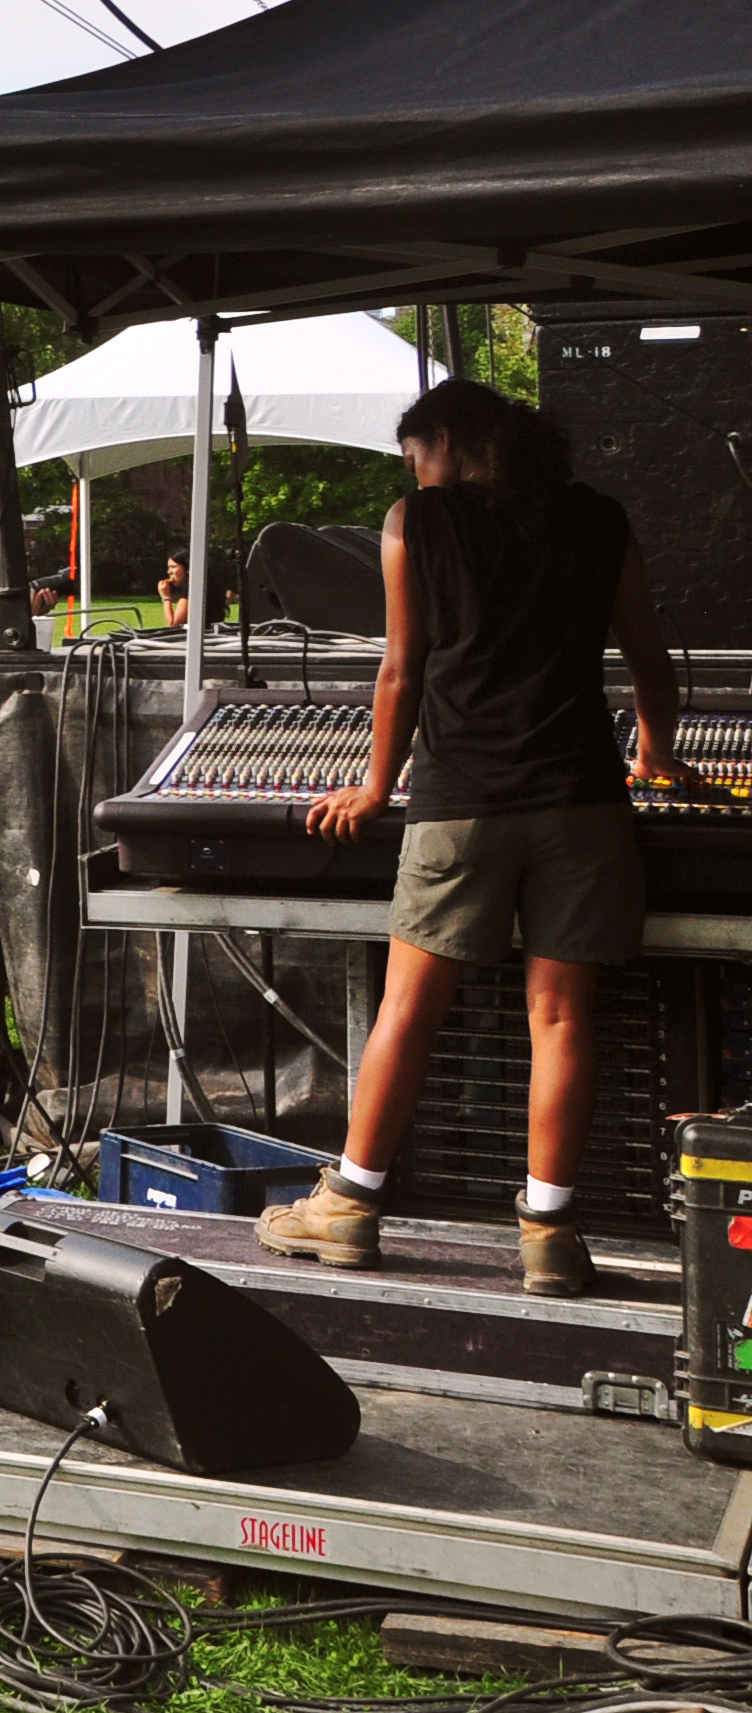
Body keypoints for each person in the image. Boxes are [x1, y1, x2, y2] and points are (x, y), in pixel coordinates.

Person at [258, 380, 687, 1301]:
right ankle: (551, 1236)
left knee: (410, 1007)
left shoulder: (417, 521)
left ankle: (349, 1207)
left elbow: (401, 671)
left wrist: (376, 787)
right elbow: (648, 657)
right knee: (563, 1018)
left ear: (446, 440)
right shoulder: (599, 520)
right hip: (581, 800)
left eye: (417, 457)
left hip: (462, 801)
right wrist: (656, 749)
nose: (416, 474)